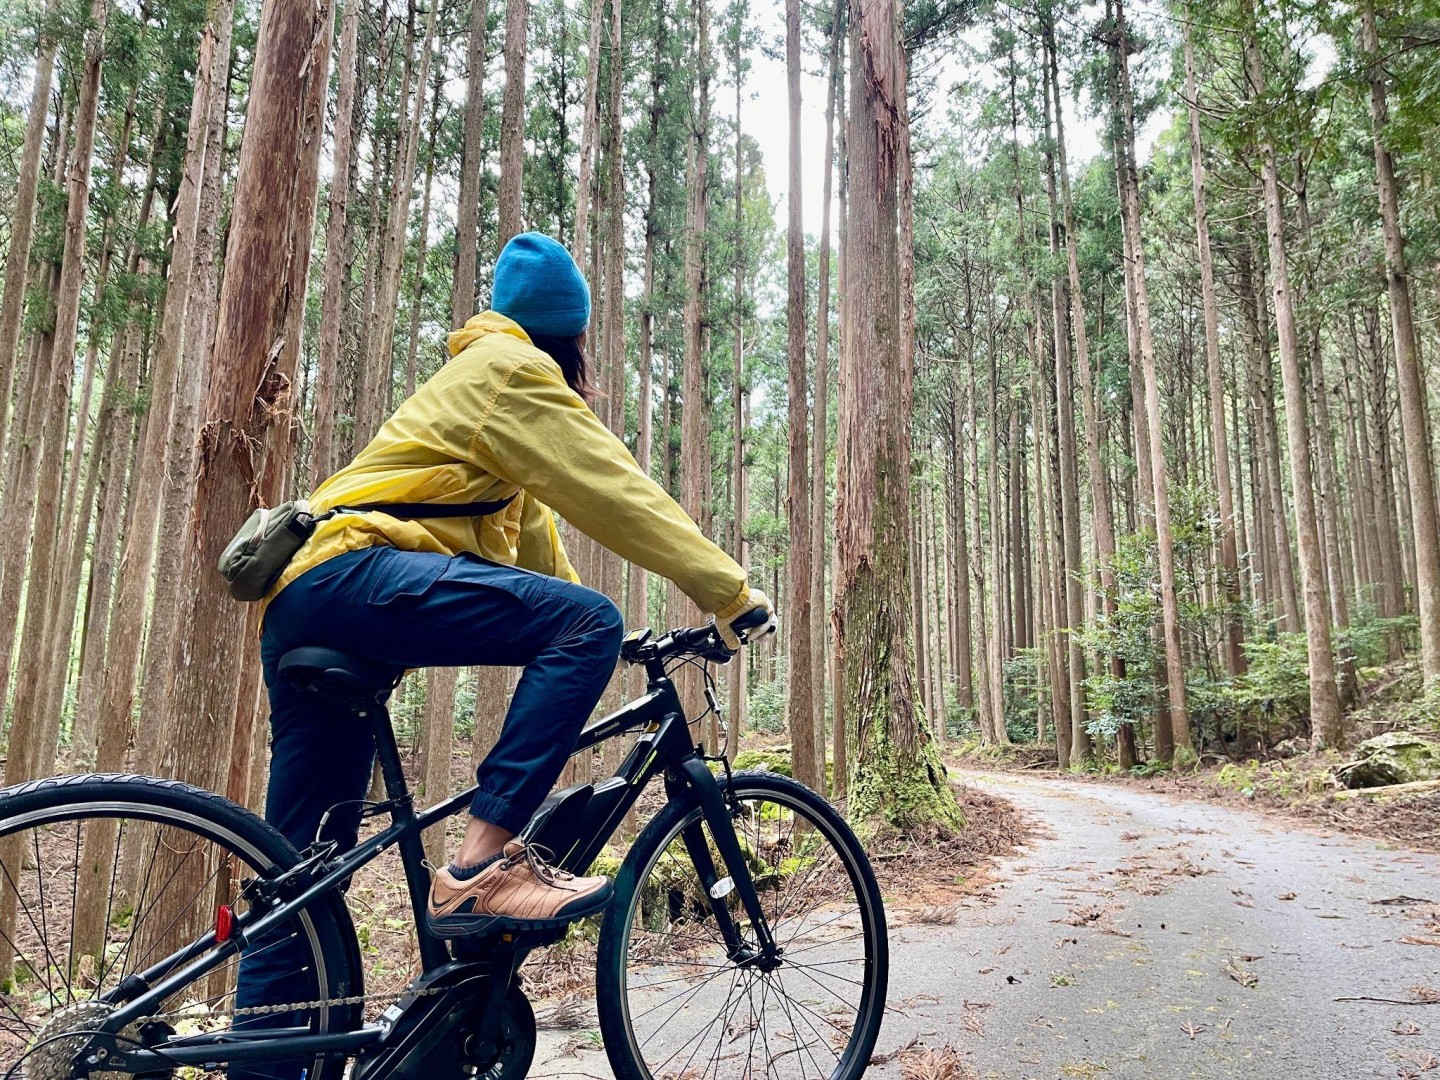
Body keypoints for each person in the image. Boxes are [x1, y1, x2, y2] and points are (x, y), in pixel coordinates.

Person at [254, 230, 772, 945]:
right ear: (572, 331)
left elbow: (538, 552)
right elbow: (616, 491)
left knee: (304, 877)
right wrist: (729, 591)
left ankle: (281, 1054)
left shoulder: (477, 378)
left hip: (304, 595)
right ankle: (479, 869)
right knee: (586, 622)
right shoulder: (511, 369)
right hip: (353, 576)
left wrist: (603, 644)